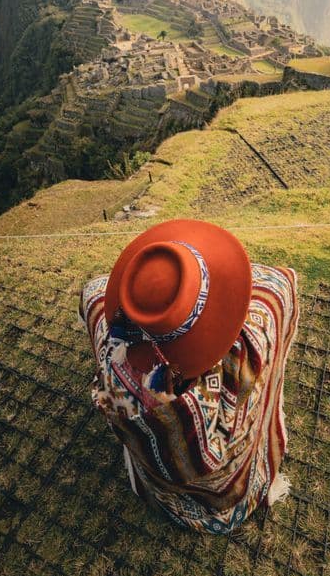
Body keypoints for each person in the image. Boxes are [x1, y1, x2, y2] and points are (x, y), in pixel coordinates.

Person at [79, 218, 299, 533]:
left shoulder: (116, 368)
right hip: (227, 493)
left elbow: (95, 300)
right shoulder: (247, 346)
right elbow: (280, 289)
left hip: (157, 481)